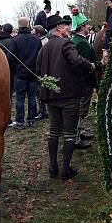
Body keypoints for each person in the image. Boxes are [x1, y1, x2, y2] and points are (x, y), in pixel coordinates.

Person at [37, 14, 95, 180]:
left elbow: (38, 69)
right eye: (66, 25)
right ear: (59, 28)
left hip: (51, 97)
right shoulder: (65, 43)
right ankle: (65, 171)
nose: (69, 27)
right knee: (69, 133)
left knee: (54, 131)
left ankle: (53, 168)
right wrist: (90, 66)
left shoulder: (45, 47)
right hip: (68, 95)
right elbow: (76, 60)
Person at [70, 7, 97, 149]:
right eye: (87, 25)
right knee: (81, 109)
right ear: (81, 27)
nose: (89, 26)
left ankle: (80, 131)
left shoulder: (78, 39)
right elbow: (86, 64)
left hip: (81, 82)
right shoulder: (81, 42)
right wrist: (99, 64)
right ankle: (76, 138)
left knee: (82, 108)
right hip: (84, 82)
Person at [8, 17, 42, 128]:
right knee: (32, 97)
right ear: (28, 25)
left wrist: (14, 70)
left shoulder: (15, 40)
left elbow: (10, 59)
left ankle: (20, 121)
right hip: (32, 73)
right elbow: (40, 57)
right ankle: (31, 119)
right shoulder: (37, 40)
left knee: (20, 98)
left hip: (21, 73)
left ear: (18, 26)